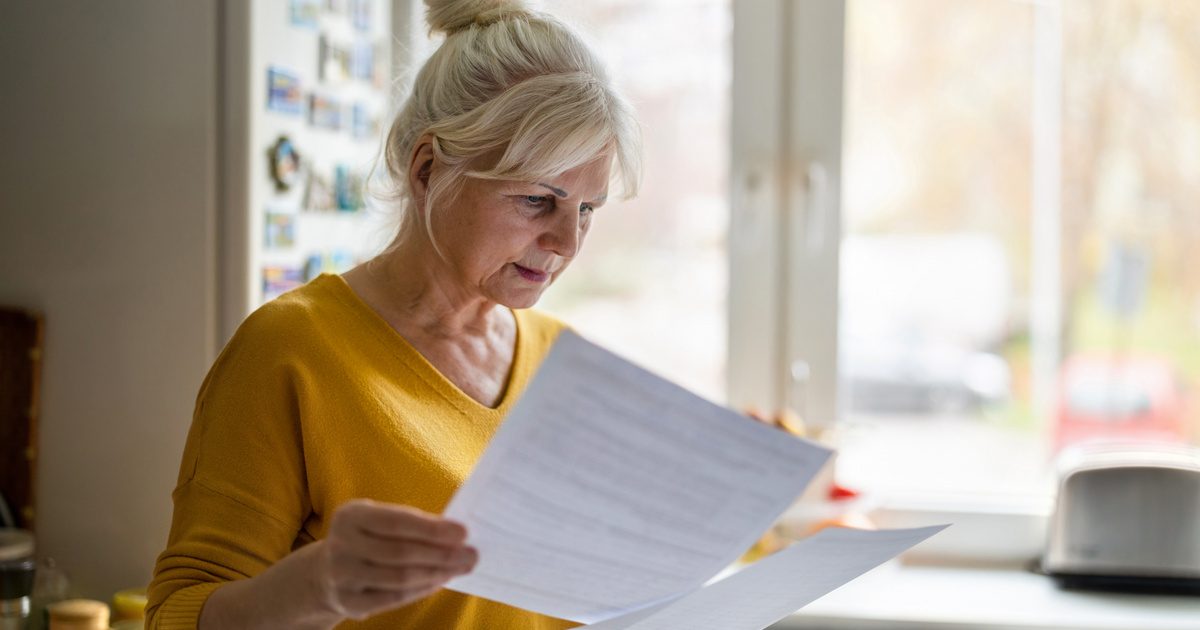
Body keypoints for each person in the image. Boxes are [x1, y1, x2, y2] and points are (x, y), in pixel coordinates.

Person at [145, 0, 641, 627]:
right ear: (428, 169)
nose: (568, 243)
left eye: (588, 209)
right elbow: (175, 615)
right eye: (539, 200)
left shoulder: (564, 359)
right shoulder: (290, 350)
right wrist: (318, 586)